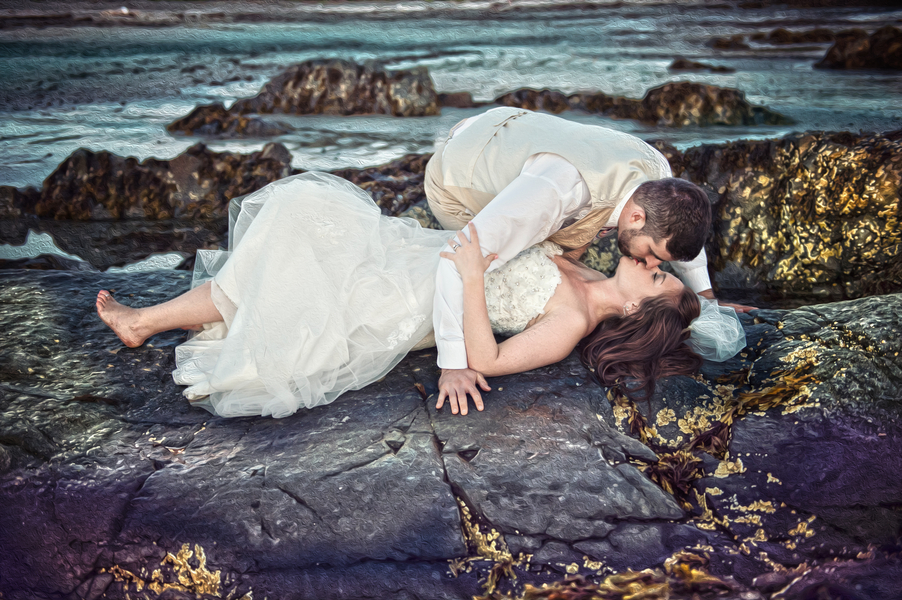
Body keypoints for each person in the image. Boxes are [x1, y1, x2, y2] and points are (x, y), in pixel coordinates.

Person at [96, 172, 743, 419]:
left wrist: (466, 283)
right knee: (304, 225)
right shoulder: (583, 264)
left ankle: (145, 321)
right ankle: (145, 321)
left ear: (636, 309)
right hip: (419, 252)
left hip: (414, 297)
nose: (653, 264)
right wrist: (711, 300)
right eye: (662, 264)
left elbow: (485, 360)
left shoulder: (570, 323)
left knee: (302, 258)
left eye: (660, 275)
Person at [423, 107, 755, 413]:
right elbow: (456, 257)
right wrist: (452, 364)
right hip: (457, 179)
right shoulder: (561, 191)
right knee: (539, 234)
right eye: (655, 257)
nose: (653, 264)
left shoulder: (657, 181)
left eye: (659, 270)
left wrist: (706, 299)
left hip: (503, 130)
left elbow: (679, 234)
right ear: (637, 217)